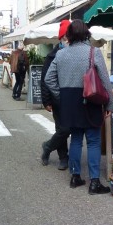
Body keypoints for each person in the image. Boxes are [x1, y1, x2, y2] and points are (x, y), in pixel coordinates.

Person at [45, 19, 113, 195]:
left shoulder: (61, 54)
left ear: (69, 35)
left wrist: (61, 96)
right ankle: (94, 182)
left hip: (69, 103)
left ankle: (75, 177)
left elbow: (48, 79)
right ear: (86, 34)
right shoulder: (94, 52)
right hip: (90, 101)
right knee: (93, 141)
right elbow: (105, 81)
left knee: (75, 139)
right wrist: (109, 103)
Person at [40, 20, 71, 170]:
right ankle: (63, 157)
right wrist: (46, 101)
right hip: (57, 98)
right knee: (63, 129)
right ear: (61, 39)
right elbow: (44, 80)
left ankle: (48, 146)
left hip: (72, 98)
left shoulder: (74, 52)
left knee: (67, 128)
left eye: (69, 36)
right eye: (65, 37)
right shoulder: (51, 56)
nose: (68, 40)